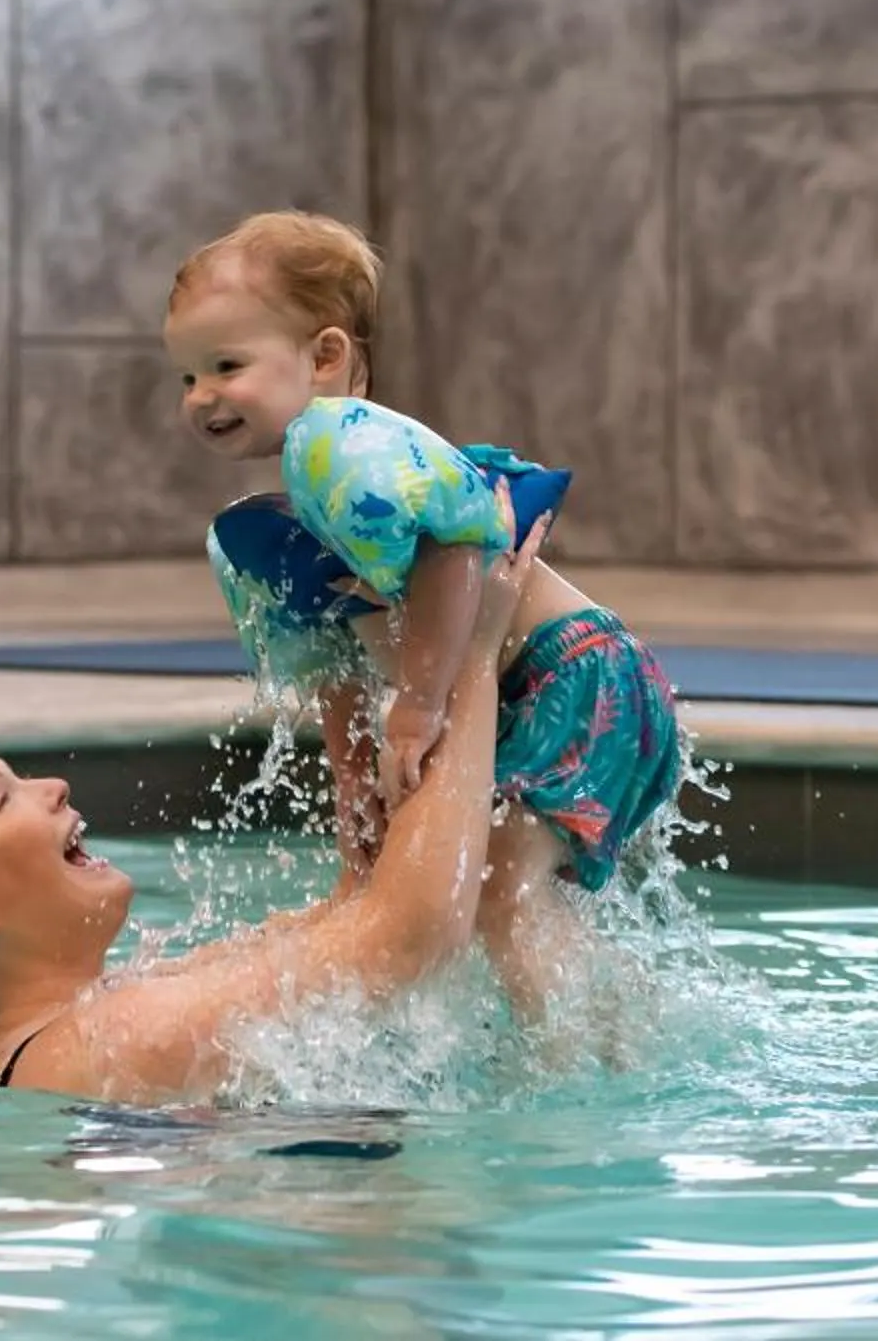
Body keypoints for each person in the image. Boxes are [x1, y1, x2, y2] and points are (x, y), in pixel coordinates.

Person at [0, 515, 547, 1102]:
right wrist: (470, 653)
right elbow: (411, 937)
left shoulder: (85, 1026)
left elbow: (360, 911)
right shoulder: (97, 1046)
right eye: (1, 800)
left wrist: (334, 674)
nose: (51, 788)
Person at [160, 211, 685, 1032]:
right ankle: (618, 1032)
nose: (202, 397)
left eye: (226, 365)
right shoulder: (285, 518)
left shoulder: (344, 447)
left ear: (325, 356)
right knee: (493, 892)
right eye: (187, 377)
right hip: (550, 681)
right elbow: (335, 676)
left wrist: (422, 701)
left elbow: (455, 552)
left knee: (498, 885)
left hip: (578, 672)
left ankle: (575, 1079)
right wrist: (356, 855)